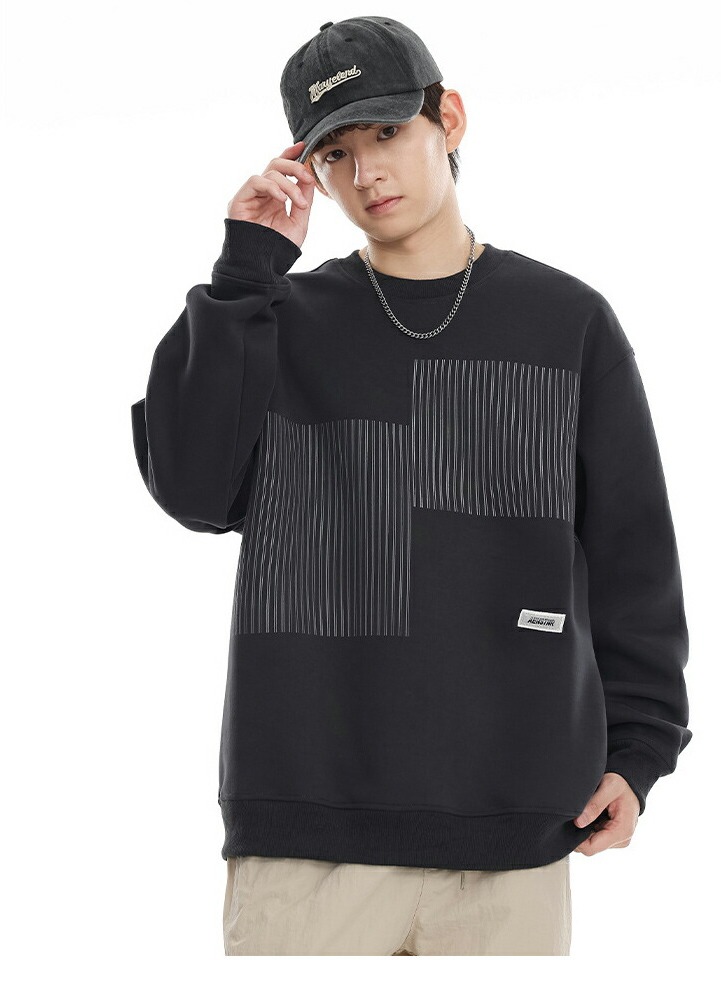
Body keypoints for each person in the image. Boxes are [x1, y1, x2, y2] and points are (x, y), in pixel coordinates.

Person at [130, 16, 692, 956]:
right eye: (335, 152)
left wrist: (639, 753)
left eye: (388, 132)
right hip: (306, 838)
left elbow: (632, 556)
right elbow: (192, 489)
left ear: (450, 119)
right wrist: (243, 271)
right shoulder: (274, 320)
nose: (367, 173)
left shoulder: (566, 324)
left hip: (514, 833)